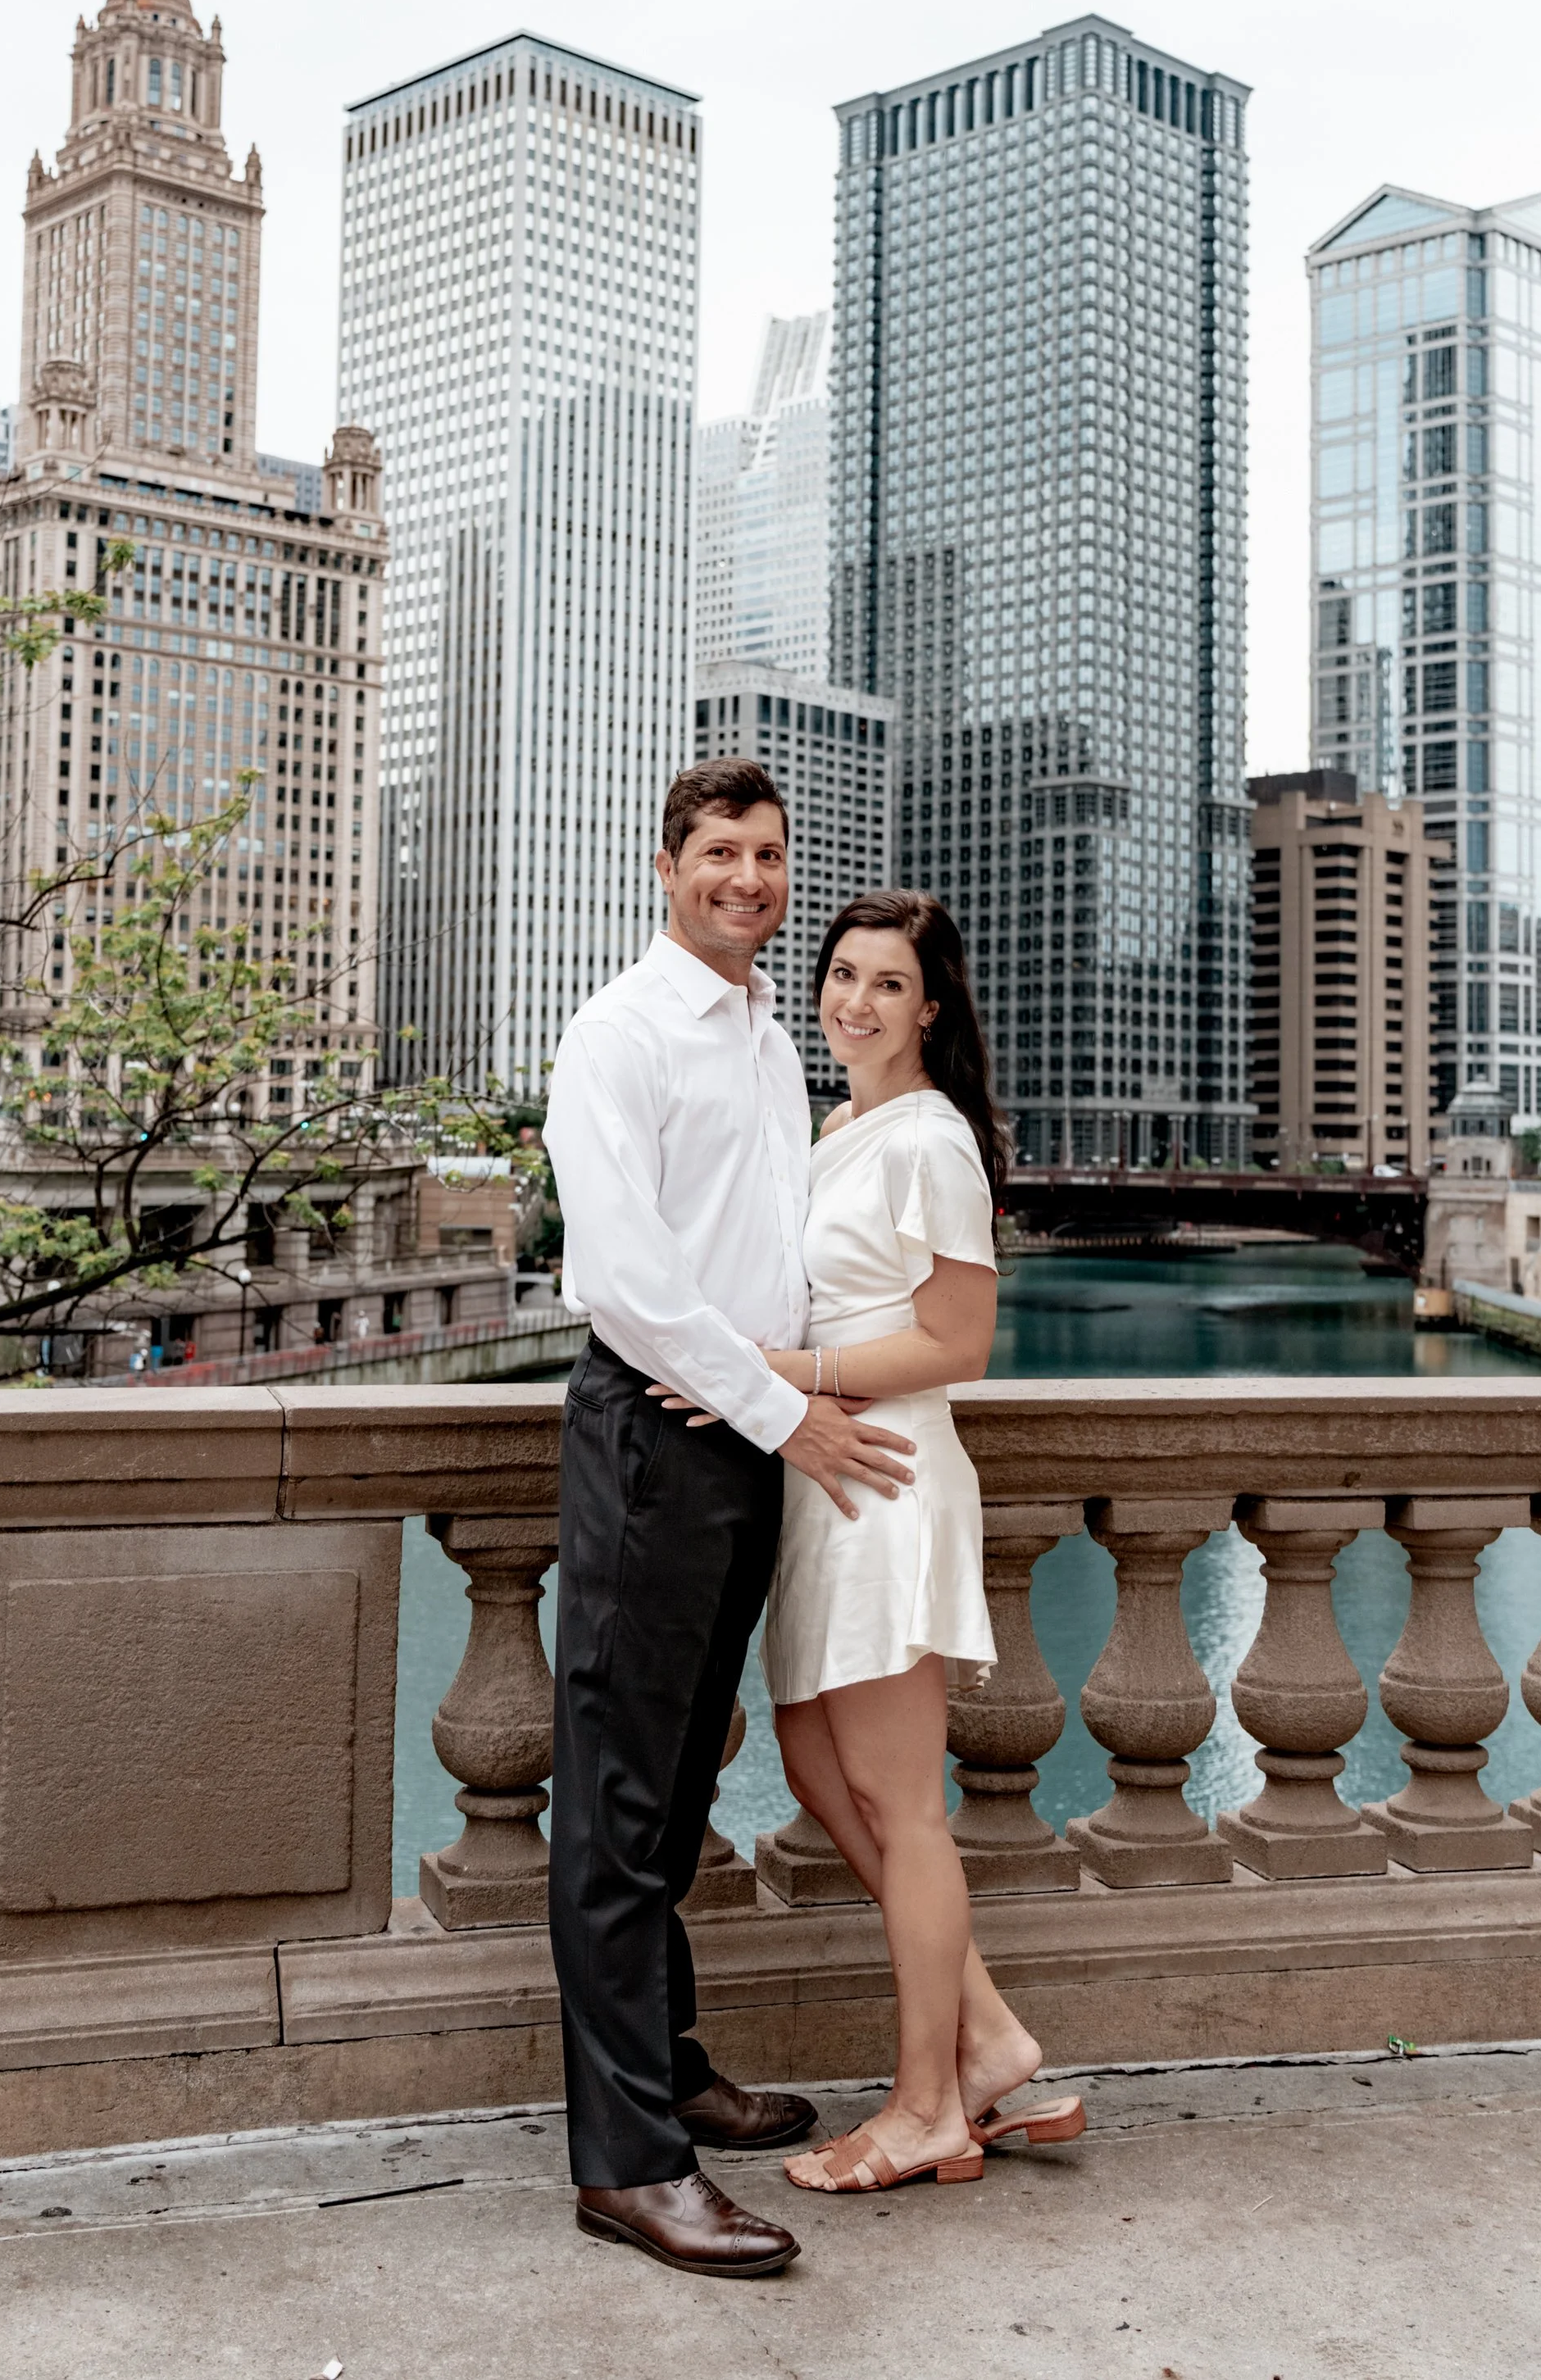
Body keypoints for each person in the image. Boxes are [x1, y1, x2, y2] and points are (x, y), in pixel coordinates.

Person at [542, 761, 919, 2279]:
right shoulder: (619, 1034)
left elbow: (777, 1255)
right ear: (666, 865)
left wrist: (802, 1394)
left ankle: (673, 2064)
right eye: (718, 853)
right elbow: (626, 1279)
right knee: (619, 1803)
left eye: (768, 855)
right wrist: (783, 1413)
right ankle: (630, 2164)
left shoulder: (771, 1038)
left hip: (748, 1435)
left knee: (683, 1778)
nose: (747, 878)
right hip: (660, 1436)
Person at [656, 891, 1084, 2196]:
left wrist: (781, 1373)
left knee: (903, 1807)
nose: (857, 1000)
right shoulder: (837, 1127)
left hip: (886, 1473)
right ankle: (991, 2036)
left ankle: (928, 2109)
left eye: (889, 983)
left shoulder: (933, 1140)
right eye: (843, 974)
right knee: (811, 1758)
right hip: (821, 1479)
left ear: (930, 1009)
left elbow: (960, 1343)